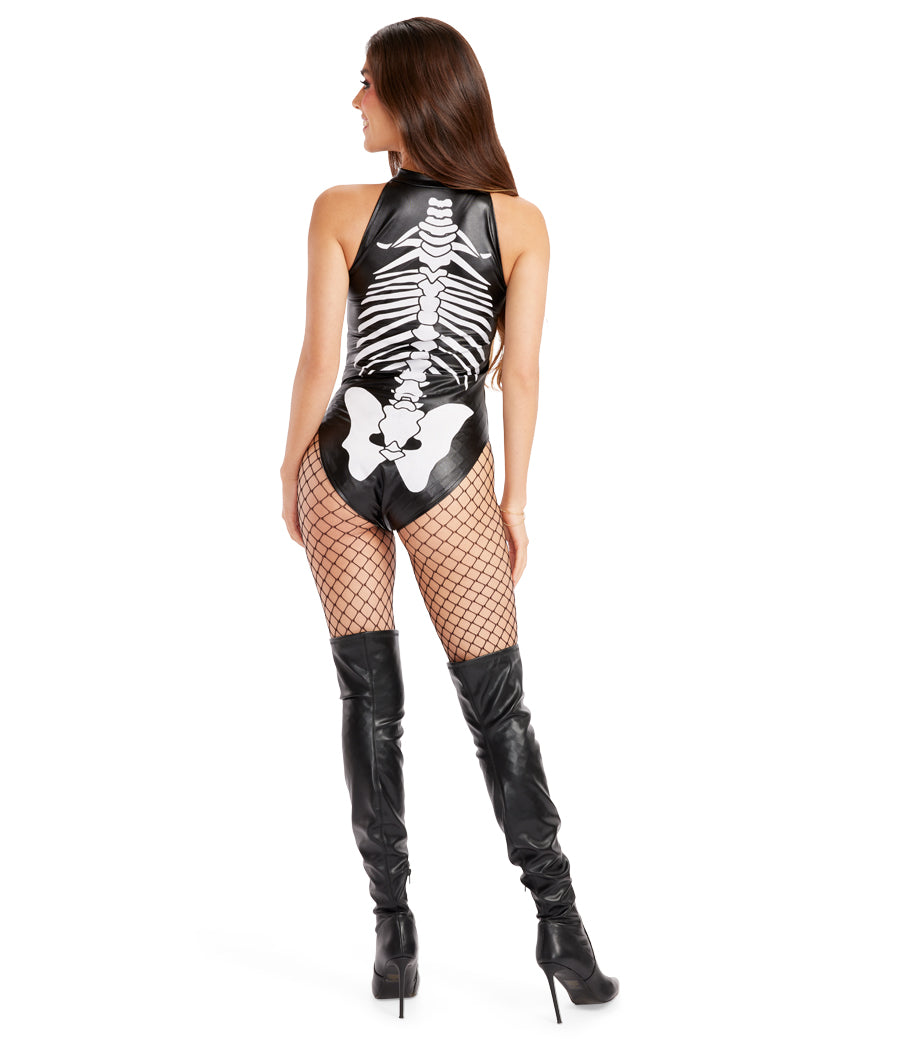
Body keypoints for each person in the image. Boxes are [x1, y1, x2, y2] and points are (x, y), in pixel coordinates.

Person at [280, 16, 619, 1023]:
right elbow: (521, 374)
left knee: (367, 698)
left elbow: (321, 361)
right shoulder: (521, 224)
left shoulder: (340, 208)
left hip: (338, 462)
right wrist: (514, 500)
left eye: (368, 83)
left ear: (414, 94)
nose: (355, 101)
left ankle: (395, 936)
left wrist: (288, 468)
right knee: (495, 707)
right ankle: (561, 932)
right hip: (449, 466)